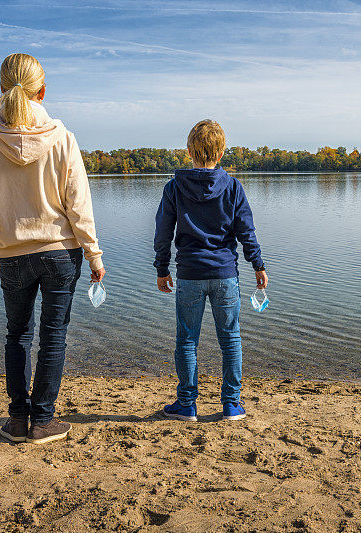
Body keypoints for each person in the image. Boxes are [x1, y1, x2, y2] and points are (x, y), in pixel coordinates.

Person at [0, 53, 105, 444]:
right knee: (53, 336)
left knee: (17, 335)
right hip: (60, 252)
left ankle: (16, 420)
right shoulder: (62, 137)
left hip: (11, 253)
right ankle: (43, 421)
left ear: (2, 89)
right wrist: (94, 254)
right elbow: (79, 204)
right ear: (42, 90)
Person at [154, 119, 268, 422]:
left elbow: (163, 232)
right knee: (230, 339)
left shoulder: (174, 187)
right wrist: (257, 264)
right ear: (221, 152)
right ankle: (232, 404)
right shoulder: (232, 187)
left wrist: (162, 268)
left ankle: (187, 404)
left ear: (190, 150)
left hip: (190, 274)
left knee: (187, 340)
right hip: (225, 275)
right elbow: (247, 231)